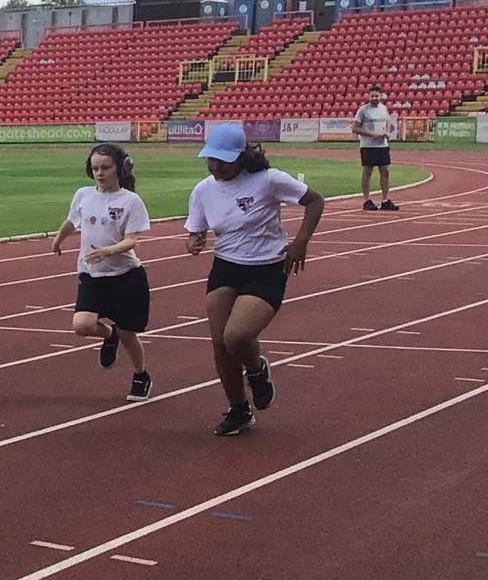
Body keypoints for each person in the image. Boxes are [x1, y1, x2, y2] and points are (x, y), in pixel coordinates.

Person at [183, 123, 326, 437]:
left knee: (236, 337)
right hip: (225, 267)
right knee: (220, 346)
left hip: (266, 269)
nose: (216, 166)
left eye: (223, 161)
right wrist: (194, 240)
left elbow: (315, 201)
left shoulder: (268, 180)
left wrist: (301, 242)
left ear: (240, 157)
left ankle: (257, 370)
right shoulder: (203, 190)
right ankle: (239, 410)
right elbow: (197, 228)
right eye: (211, 159)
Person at [52, 143, 153, 400]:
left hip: (125, 277)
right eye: (95, 168)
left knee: (129, 334)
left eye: (105, 168)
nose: (100, 173)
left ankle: (141, 375)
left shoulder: (130, 201)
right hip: (92, 275)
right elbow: (72, 221)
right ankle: (110, 334)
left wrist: (108, 251)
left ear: (119, 169)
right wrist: (59, 238)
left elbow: (132, 239)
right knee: (82, 325)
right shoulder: (83, 195)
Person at [354, 85, 397, 211]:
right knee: (367, 172)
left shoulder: (383, 108)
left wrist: (386, 132)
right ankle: (366, 200)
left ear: (381, 96)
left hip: (382, 145)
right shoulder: (363, 110)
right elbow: (355, 128)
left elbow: (387, 124)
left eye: (376, 96)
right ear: (369, 96)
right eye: (372, 96)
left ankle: (385, 200)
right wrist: (373, 134)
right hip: (368, 146)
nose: (374, 98)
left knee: (385, 171)